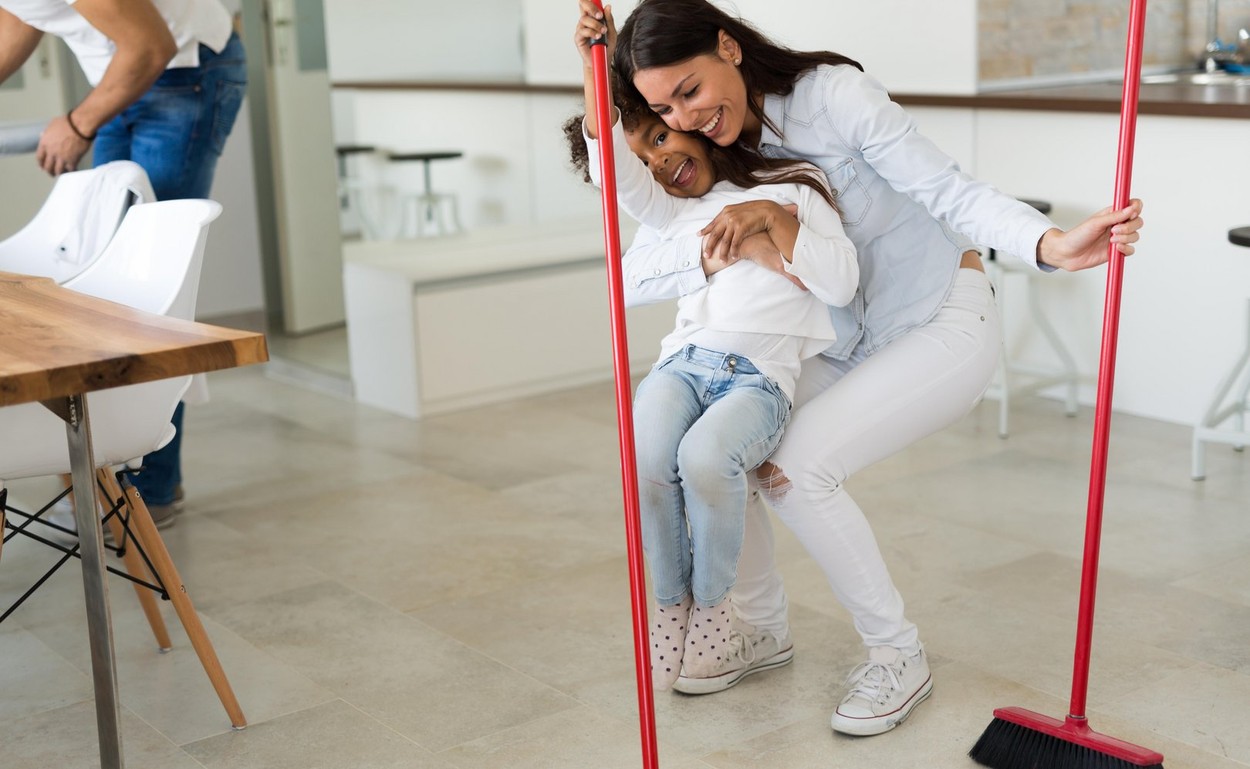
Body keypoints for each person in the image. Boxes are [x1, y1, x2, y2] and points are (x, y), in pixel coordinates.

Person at [579, 0, 1143, 736]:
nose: (685, 117)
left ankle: (896, 653)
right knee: (730, 442)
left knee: (796, 467)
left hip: (939, 317)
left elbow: (948, 190)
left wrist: (1049, 243)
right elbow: (632, 189)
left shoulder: (831, 98)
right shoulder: (712, 147)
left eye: (690, 90)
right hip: (836, 338)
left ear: (729, 45)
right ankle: (759, 627)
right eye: (664, 107)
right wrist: (594, 76)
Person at [568, 35, 860, 690]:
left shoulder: (793, 187)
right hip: (684, 365)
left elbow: (841, 284)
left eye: (662, 139)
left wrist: (774, 225)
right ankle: (673, 605)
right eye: (643, 158)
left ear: (687, 126)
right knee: (648, 456)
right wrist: (592, 64)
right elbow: (611, 157)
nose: (660, 163)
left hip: (759, 379)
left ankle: (714, 613)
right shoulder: (673, 213)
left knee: (706, 459)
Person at [0, 0, 246, 530]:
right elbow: (21, 17)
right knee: (100, 289)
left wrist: (76, 122)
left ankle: (148, 488)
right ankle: (108, 474)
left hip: (185, 71)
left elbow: (151, 45)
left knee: (145, 291)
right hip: (124, 77)